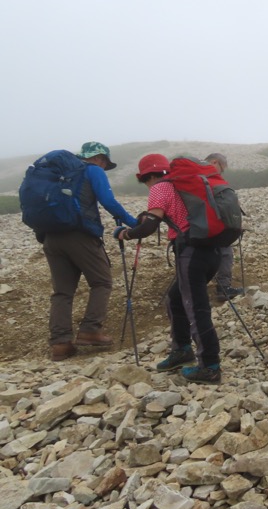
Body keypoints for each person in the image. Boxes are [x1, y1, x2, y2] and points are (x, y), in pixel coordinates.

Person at [114, 154, 223, 384]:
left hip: (191, 252)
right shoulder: (185, 185)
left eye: (144, 181)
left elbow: (149, 226)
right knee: (175, 299)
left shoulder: (160, 188)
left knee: (196, 308)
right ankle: (182, 350)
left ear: (146, 176)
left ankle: (210, 366)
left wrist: (126, 233)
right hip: (212, 250)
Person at [42, 142, 139, 361]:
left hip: (50, 236)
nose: (104, 167)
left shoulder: (58, 173)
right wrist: (133, 222)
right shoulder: (92, 170)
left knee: (62, 292)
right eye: (105, 163)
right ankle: (90, 330)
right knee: (102, 281)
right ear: (100, 159)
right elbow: (108, 200)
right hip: (80, 235)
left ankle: (60, 343)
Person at [204, 153, 244, 299]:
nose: (222, 172)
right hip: (213, 226)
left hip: (190, 227)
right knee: (225, 252)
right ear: (215, 162)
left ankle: (193, 288)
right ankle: (223, 287)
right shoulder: (213, 179)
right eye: (222, 168)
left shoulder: (192, 176)